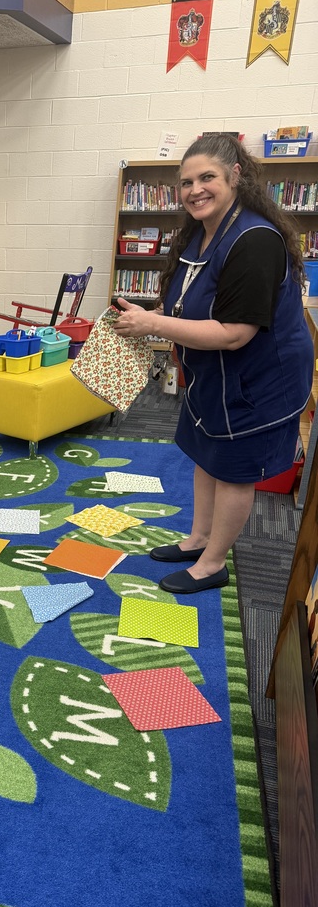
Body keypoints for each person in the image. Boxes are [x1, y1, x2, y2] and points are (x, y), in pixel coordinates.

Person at [112, 133, 314, 594]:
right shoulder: (200, 233)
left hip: (258, 379)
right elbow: (193, 303)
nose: (195, 190)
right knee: (207, 453)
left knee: (235, 467)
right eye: (186, 183)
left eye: (207, 178)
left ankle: (213, 563)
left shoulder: (255, 240)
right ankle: (199, 539)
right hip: (213, 374)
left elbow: (234, 332)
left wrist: (154, 327)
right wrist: (158, 315)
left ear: (235, 176)